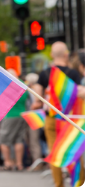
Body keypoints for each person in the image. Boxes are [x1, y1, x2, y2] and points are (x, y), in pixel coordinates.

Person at [31, 41, 83, 186]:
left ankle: (59, 185)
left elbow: (38, 98)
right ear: (66, 54)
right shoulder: (73, 73)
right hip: (70, 119)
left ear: (52, 55)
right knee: (73, 149)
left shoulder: (44, 74)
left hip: (51, 118)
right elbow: (79, 96)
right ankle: (78, 183)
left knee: (54, 153)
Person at [0, 69, 29, 171]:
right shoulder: (23, 84)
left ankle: (8, 162)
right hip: (22, 115)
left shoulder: (8, 86)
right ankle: (19, 164)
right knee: (19, 140)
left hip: (10, 115)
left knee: (3, 140)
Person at [24, 73, 43, 171]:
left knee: (34, 140)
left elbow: (37, 103)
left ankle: (37, 163)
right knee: (32, 140)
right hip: (33, 116)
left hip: (34, 116)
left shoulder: (35, 88)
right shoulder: (35, 88)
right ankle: (35, 162)